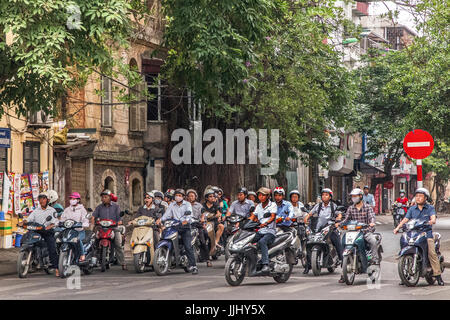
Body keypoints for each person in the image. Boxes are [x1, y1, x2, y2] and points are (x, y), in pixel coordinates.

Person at [394, 188, 444, 286]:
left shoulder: (430, 208)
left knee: (432, 253)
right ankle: (405, 276)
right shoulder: (412, 209)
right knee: (404, 244)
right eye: (417, 196)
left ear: (426, 198)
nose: (418, 198)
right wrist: (397, 228)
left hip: (426, 233)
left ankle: (438, 276)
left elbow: (433, 218)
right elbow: (405, 219)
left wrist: (431, 221)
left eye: (420, 196)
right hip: (413, 232)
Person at [338, 188, 378, 283]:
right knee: (342, 242)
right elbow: (346, 219)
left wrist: (372, 223)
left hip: (365, 231)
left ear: (360, 196)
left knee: (373, 241)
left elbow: (372, 218)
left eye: (355, 196)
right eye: (352, 197)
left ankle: (374, 261)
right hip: (353, 232)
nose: (353, 198)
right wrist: (339, 223)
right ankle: (343, 272)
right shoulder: (351, 208)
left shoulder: (367, 207)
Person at [158, 189, 198, 274]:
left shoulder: (187, 204)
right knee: (166, 238)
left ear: (183, 197)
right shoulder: (172, 205)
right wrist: (160, 220)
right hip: (174, 226)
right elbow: (167, 215)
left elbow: (189, 215)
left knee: (188, 246)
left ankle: (193, 266)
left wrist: (186, 220)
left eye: (180, 195)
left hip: (185, 227)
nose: (178, 197)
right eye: (177, 195)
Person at [303, 188, 343, 275]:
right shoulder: (318, 205)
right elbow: (310, 214)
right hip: (319, 227)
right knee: (308, 241)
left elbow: (339, 214)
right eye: (323, 195)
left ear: (330, 197)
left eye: (326, 195)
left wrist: (338, 219)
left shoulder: (333, 206)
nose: (324, 196)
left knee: (336, 241)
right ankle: (307, 265)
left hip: (330, 227)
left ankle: (342, 260)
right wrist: (306, 218)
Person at [23, 192, 59, 276]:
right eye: (40, 199)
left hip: (47, 232)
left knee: (52, 247)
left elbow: (54, 223)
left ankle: (56, 268)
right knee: (27, 239)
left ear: (47, 200)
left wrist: (48, 227)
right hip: (37, 230)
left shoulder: (52, 210)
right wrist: (23, 222)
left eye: (43, 198)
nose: (41, 200)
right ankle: (32, 260)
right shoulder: (36, 210)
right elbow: (29, 219)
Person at [92, 189, 127, 270]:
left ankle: (123, 262)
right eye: (102, 197)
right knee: (94, 242)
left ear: (110, 198)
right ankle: (93, 260)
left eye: (105, 197)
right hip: (101, 227)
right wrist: (93, 223)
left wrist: (119, 222)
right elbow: (94, 217)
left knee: (118, 244)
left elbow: (119, 218)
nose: (103, 199)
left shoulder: (116, 206)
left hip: (113, 227)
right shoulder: (99, 207)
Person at [248, 187, 277, 273]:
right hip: (260, 231)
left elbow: (272, 216)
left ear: (268, 196)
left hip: (270, 231)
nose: (261, 197)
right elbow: (252, 216)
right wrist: (246, 223)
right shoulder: (258, 206)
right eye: (259, 195)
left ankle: (265, 264)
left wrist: (266, 223)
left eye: (263, 195)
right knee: (248, 241)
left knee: (262, 242)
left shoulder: (273, 205)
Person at [60, 192, 89, 262]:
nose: (72, 200)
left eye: (74, 199)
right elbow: (62, 219)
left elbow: (85, 219)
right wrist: (59, 223)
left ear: (78, 200)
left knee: (77, 240)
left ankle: (82, 254)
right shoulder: (67, 210)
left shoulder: (82, 209)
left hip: (79, 231)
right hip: (68, 231)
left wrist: (84, 223)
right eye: (71, 198)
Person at [187, 189, 211, 267]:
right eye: (189, 196)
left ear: (195, 197)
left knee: (203, 241)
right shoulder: (185, 205)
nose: (190, 197)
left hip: (197, 224)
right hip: (187, 225)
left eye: (192, 196)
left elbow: (203, 214)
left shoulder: (199, 206)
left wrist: (202, 219)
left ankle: (208, 260)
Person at [202, 188, 225, 255]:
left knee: (221, 226)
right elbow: (203, 214)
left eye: (213, 196)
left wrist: (213, 216)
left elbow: (218, 214)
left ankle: (216, 242)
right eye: (210, 196)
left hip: (214, 223)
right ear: (206, 198)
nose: (212, 198)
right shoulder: (203, 205)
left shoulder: (216, 205)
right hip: (206, 223)